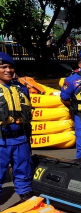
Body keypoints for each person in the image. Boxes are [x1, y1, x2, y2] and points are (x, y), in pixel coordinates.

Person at [0, 52, 33, 203]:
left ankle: (25, 198)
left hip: (20, 138)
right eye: (3, 67)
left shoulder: (22, 89)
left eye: (11, 67)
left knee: (23, 169)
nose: (8, 70)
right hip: (1, 140)